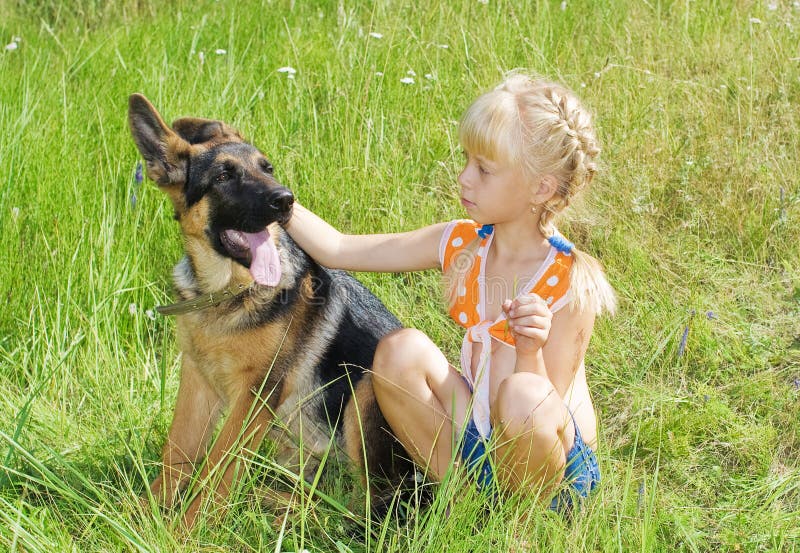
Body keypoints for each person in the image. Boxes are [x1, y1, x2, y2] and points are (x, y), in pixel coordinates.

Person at [284, 73, 616, 511]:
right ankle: (470, 507)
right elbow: (340, 248)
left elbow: (541, 414)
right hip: (476, 435)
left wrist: (529, 346)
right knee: (400, 351)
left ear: (541, 188)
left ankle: (525, 522)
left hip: (550, 470)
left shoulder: (570, 280)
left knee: (521, 395)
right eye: (466, 161)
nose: (463, 178)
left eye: (484, 169)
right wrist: (271, 199)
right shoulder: (464, 243)